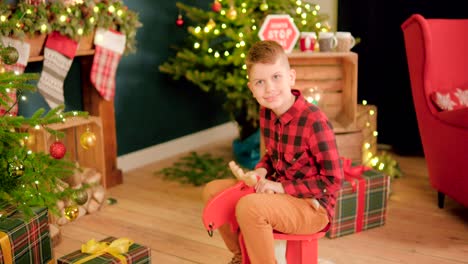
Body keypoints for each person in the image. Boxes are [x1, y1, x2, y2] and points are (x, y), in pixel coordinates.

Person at [202, 40, 343, 264]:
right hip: (278, 192)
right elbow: (273, 154)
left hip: (312, 206)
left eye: (276, 77)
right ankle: (241, 257)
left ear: (291, 77)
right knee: (214, 193)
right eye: (260, 82)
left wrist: (280, 187)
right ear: (251, 88)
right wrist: (261, 171)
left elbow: (334, 180)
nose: (269, 88)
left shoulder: (314, 121)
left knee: (249, 207)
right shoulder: (267, 112)